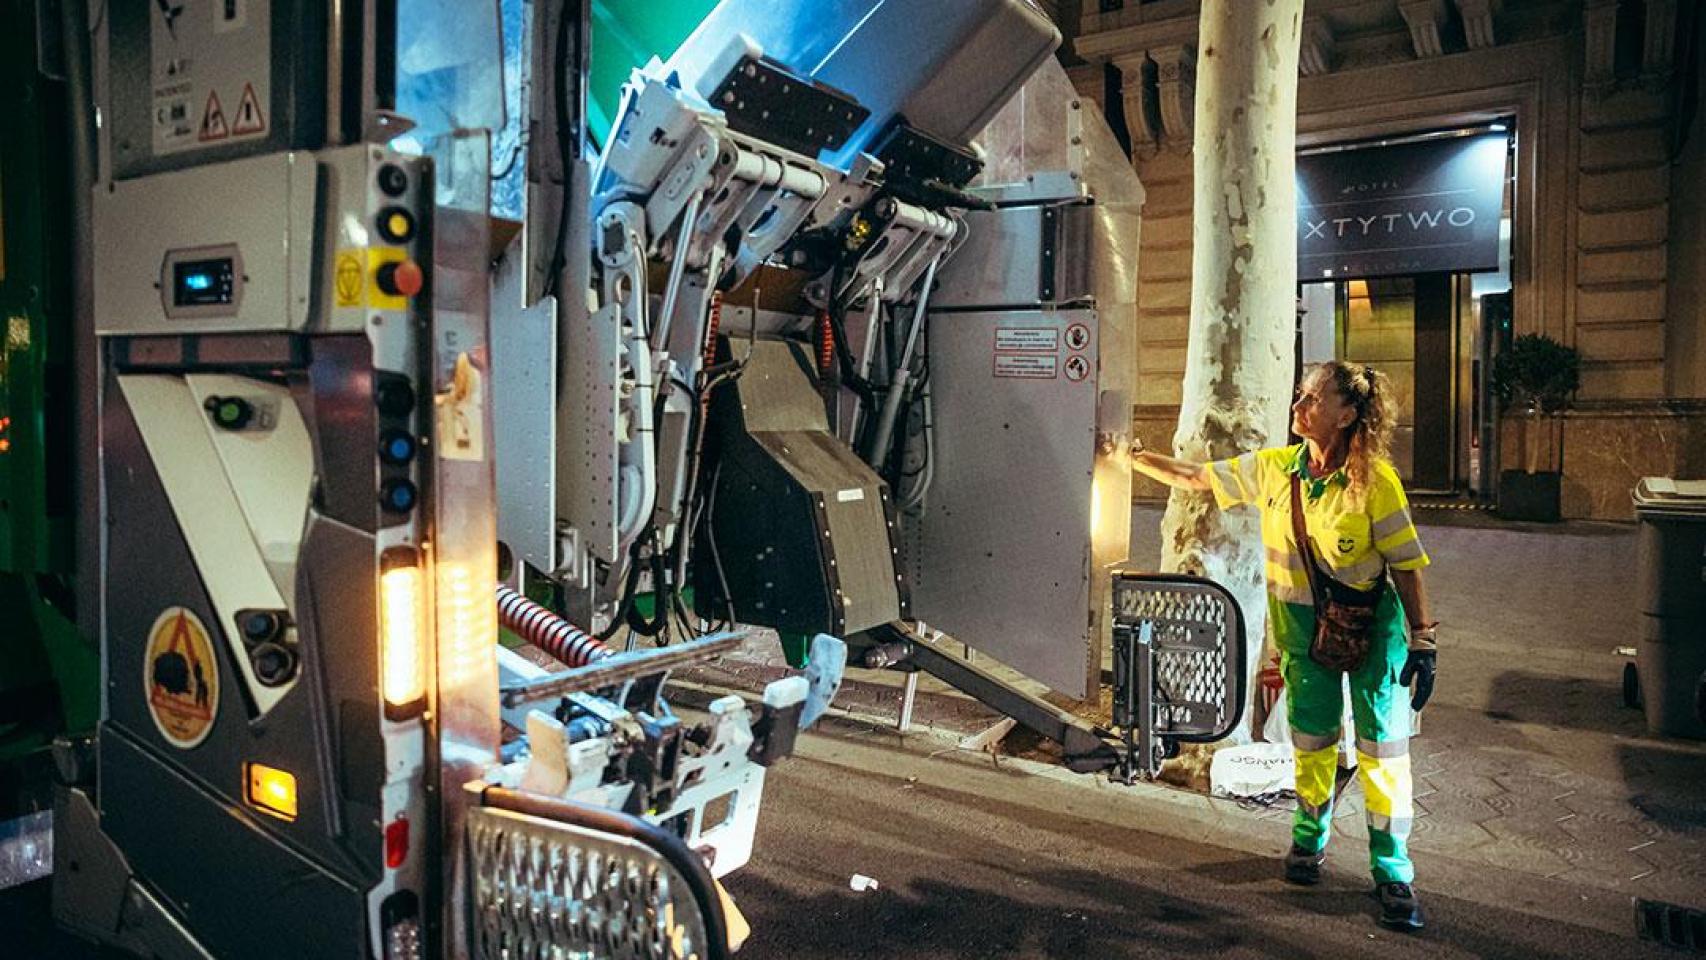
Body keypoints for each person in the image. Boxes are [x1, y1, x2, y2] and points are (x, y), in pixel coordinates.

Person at [1131, 361, 1437, 932]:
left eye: (1313, 399)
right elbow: (1199, 478)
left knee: (1383, 752)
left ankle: (1393, 872)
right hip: (1301, 630)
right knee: (1313, 742)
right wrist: (1136, 457)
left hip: (1375, 633)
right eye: (1300, 395)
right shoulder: (1278, 469)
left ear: (1347, 416)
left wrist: (1424, 640)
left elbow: (1408, 566)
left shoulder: (1376, 482)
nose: (1298, 407)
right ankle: (1308, 842)